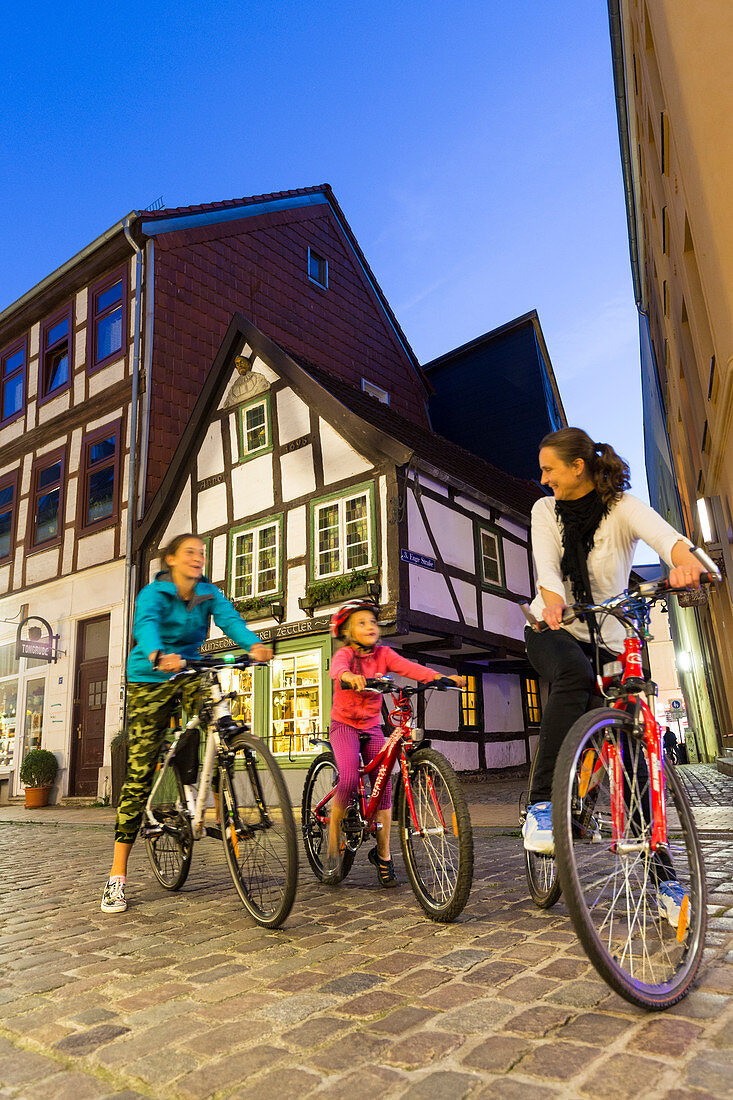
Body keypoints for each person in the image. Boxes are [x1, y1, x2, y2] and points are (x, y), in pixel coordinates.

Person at [522, 427, 706, 928]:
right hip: (552, 625)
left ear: (577, 466)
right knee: (575, 675)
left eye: (549, 469)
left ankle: (662, 879)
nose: (544, 479)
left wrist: (686, 560)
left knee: (633, 749)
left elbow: (665, 537)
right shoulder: (546, 511)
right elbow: (545, 560)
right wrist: (552, 594)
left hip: (606, 632)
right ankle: (541, 805)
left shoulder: (620, 506)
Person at [101, 534, 272, 914]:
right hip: (150, 677)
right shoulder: (153, 594)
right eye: (190, 553)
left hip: (193, 669)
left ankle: (209, 795)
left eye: (202, 553)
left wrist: (253, 645)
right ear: (172, 559)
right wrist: (159, 654)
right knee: (140, 773)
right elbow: (146, 627)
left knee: (218, 716)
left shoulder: (209, 593)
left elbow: (231, 621)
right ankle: (116, 877)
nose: (198, 558)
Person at [326, 600, 464, 886]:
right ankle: (332, 834)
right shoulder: (345, 655)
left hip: (372, 726)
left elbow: (411, 669)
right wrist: (350, 677)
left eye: (372, 622)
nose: (370, 627)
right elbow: (338, 670)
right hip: (345, 726)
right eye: (361, 623)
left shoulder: (384, 653)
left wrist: (441, 678)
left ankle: (384, 854)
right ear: (348, 632)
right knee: (350, 777)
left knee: (385, 785)